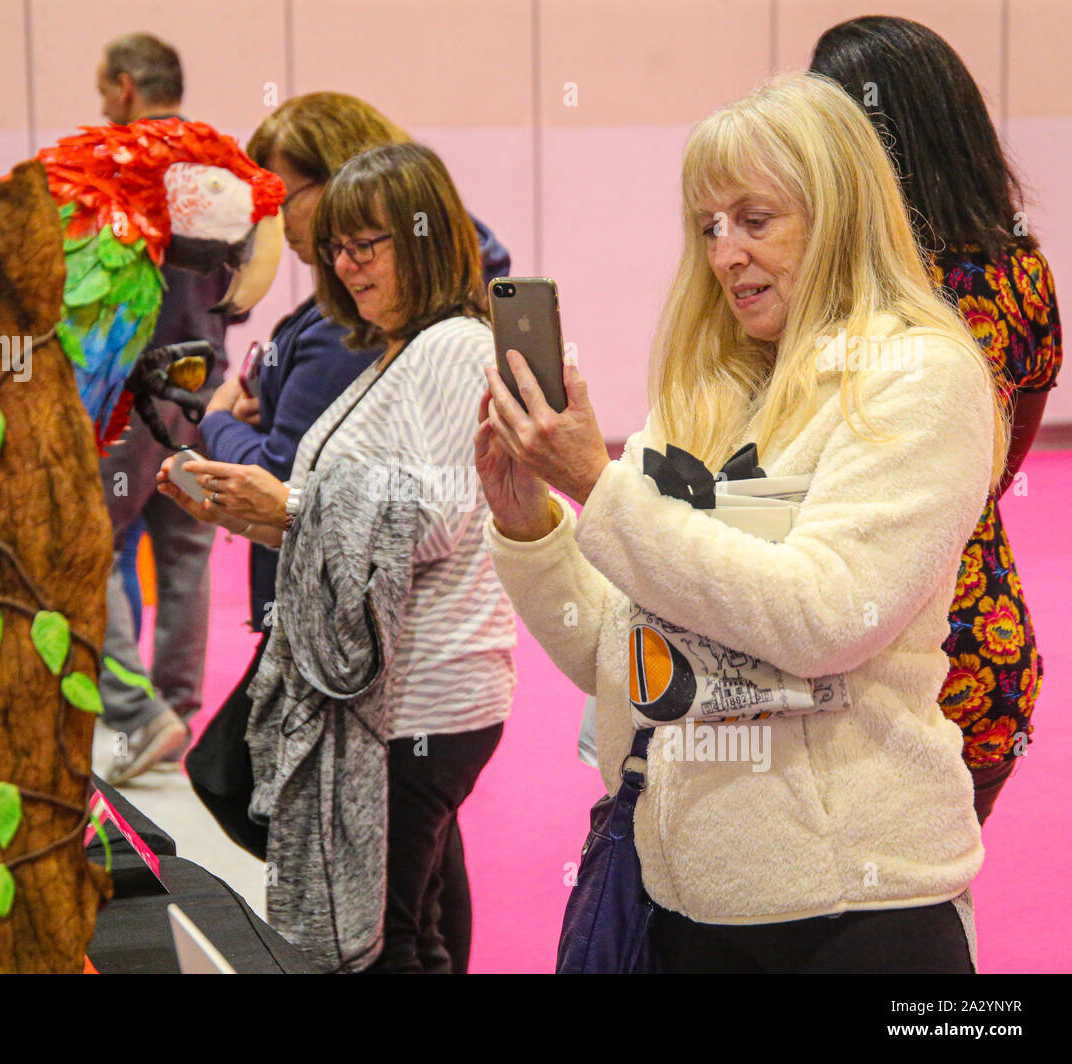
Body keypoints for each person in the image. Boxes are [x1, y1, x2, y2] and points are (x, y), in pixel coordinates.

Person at [477, 74, 1008, 973]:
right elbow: (623, 659)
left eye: (756, 220)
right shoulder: (709, 390)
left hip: (858, 916)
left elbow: (825, 617)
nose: (725, 253)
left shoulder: (918, 378)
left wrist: (600, 490)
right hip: (685, 902)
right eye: (709, 226)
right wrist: (529, 524)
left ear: (837, 215)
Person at [159, 142, 517, 973]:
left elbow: (432, 515)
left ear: (426, 240)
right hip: (394, 693)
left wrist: (284, 504)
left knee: (377, 938)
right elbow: (347, 519)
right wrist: (243, 511)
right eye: (338, 248)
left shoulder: (453, 347)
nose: (348, 266)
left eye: (371, 244)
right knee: (405, 928)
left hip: (424, 697)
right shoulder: (399, 348)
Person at [809, 16, 1062, 824]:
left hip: (863, 663)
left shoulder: (839, 285)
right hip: (984, 649)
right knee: (934, 920)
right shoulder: (1021, 274)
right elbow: (996, 467)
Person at [92, 32, 237, 785]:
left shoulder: (116, 164)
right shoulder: (222, 168)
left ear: (123, 87)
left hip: (133, 388)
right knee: (185, 551)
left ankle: (140, 712)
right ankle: (175, 706)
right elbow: (238, 283)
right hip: (202, 381)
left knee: (91, 543)